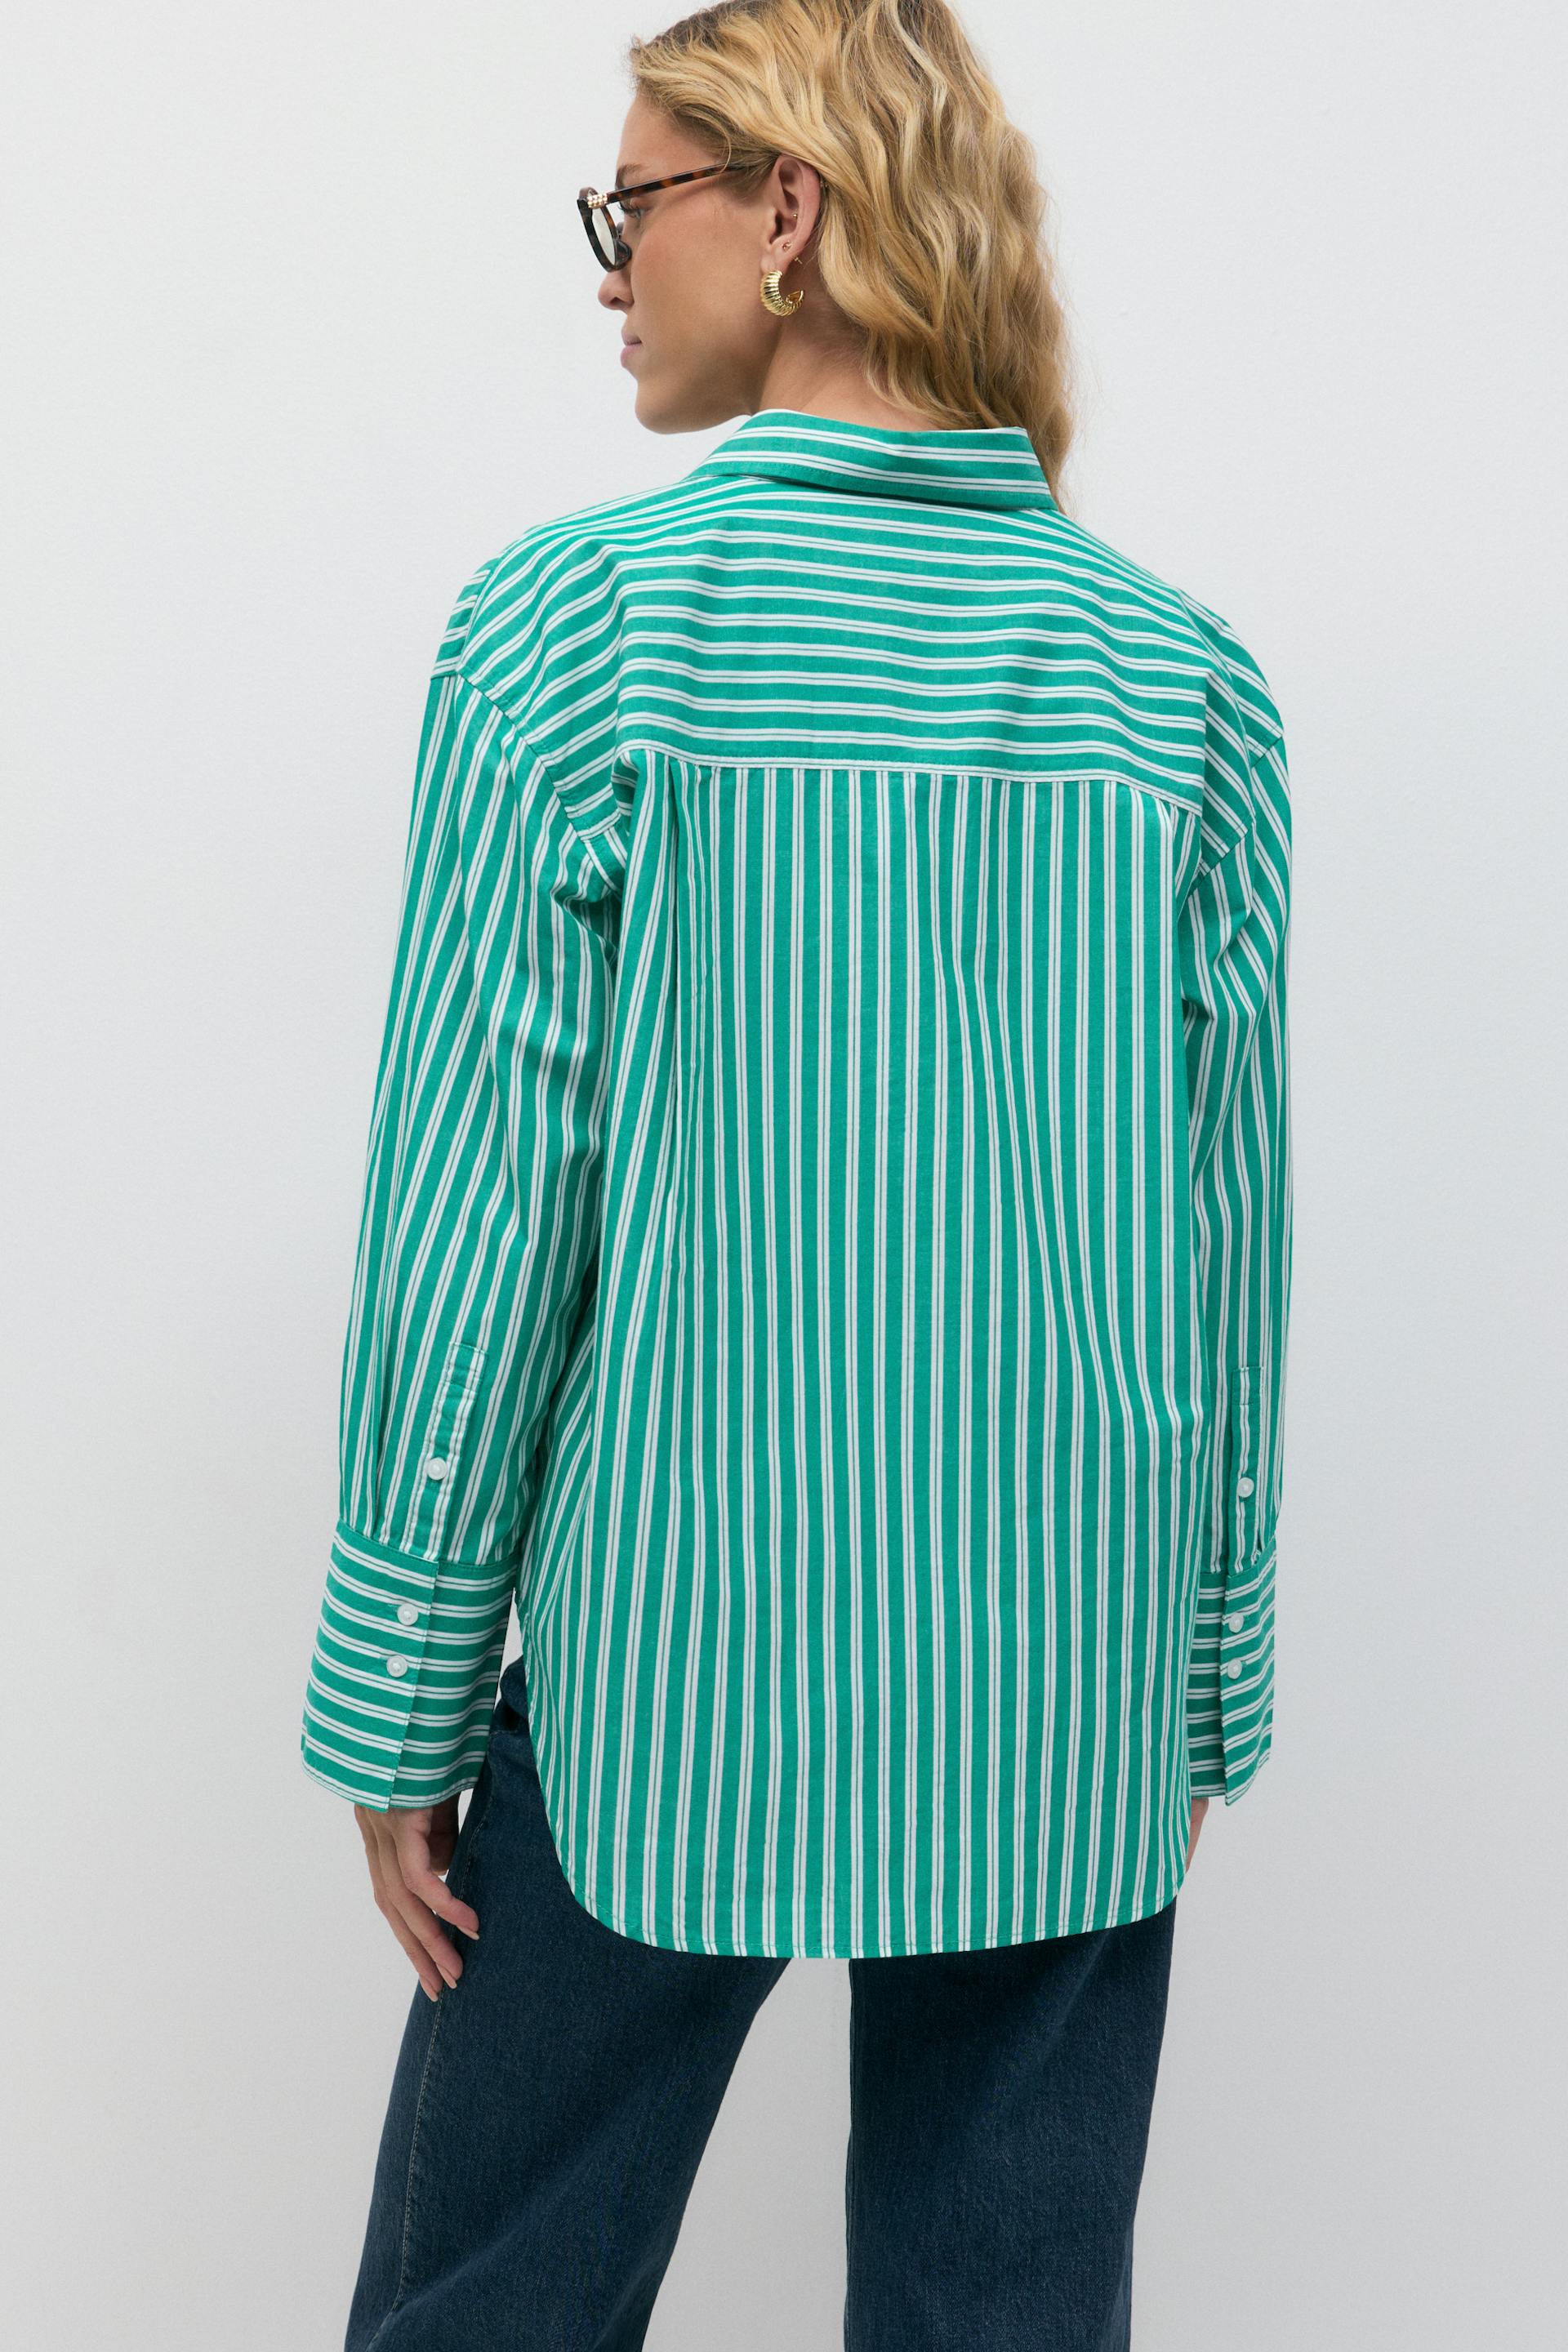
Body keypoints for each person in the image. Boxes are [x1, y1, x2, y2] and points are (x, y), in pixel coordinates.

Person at [298, 2, 1293, 2343]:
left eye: (631, 203)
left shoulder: (578, 633)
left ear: (788, 207)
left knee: (484, 2309)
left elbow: (481, 1208)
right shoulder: (1185, 688)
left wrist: (398, 1688)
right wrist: (1204, 1680)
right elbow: (1226, 1251)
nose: (608, 266)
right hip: (1063, 1679)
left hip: (669, 1674)